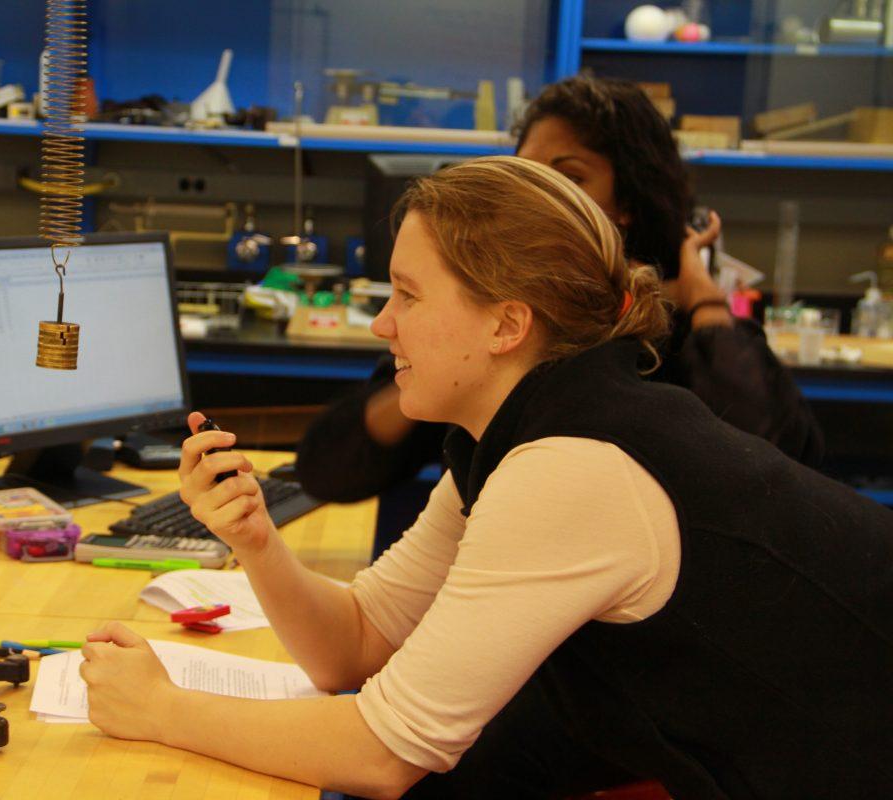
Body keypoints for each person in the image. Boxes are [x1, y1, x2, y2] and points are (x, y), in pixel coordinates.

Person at [78, 157, 893, 799]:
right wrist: (254, 541)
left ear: (507, 324)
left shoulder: (574, 468)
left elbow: (385, 753)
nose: (381, 323)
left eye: (406, 295)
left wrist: (161, 710)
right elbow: (358, 647)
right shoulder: (517, 437)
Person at [296, 76, 822, 508]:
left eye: (569, 177)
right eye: (525, 173)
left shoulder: (684, 338)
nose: (537, 196)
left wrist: (703, 297)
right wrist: (430, 375)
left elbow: (774, 470)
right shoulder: (484, 319)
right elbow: (328, 470)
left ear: (628, 204)